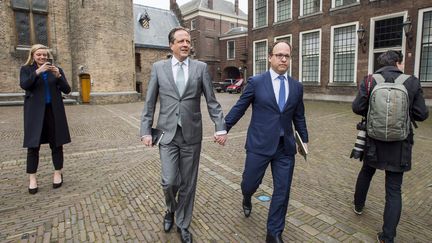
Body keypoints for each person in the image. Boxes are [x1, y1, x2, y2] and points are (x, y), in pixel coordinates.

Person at [140, 27, 227, 243]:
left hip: (191, 135)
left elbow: (212, 101)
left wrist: (220, 126)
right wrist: (145, 130)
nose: (186, 44)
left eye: (188, 41)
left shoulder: (201, 68)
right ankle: (170, 209)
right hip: (167, 134)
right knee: (169, 181)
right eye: (181, 41)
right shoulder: (159, 68)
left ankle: (183, 223)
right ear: (171, 45)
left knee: (188, 183)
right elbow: (150, 102)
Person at [224, 41, 308, 243]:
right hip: (259, 145)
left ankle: (274, 233)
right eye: (279, 55)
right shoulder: (256, 82)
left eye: (287, 56)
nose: (283, 59)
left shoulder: (297, 87)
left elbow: (299, 116)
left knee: (283, 190)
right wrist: (223, 128)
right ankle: (247, 196)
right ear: (270, 57)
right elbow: (240, 107)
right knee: (249, 183)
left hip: (285, 148)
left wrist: (304, 140)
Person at [352, 50, 428, 243]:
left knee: (366, 173)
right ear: (398, 63)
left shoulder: (369, 80)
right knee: (394, 190)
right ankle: (387, 237)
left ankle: (358, 205)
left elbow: (357, 108)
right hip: (399, 144)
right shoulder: (412, 82)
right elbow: (421, 114)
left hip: (373, 142)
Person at [20, 44, 71, 194]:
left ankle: (57, 173)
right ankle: (32, 178)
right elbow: (24, 85)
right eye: (39, 55)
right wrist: (37, 72)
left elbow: (67, 90)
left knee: (56, 143)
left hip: (53, 111)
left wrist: (59, 76)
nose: (42, 57)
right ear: (33, 55)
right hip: (34, 113)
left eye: (45, 55)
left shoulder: (56, 70)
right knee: (32, 146)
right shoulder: (26, 69)